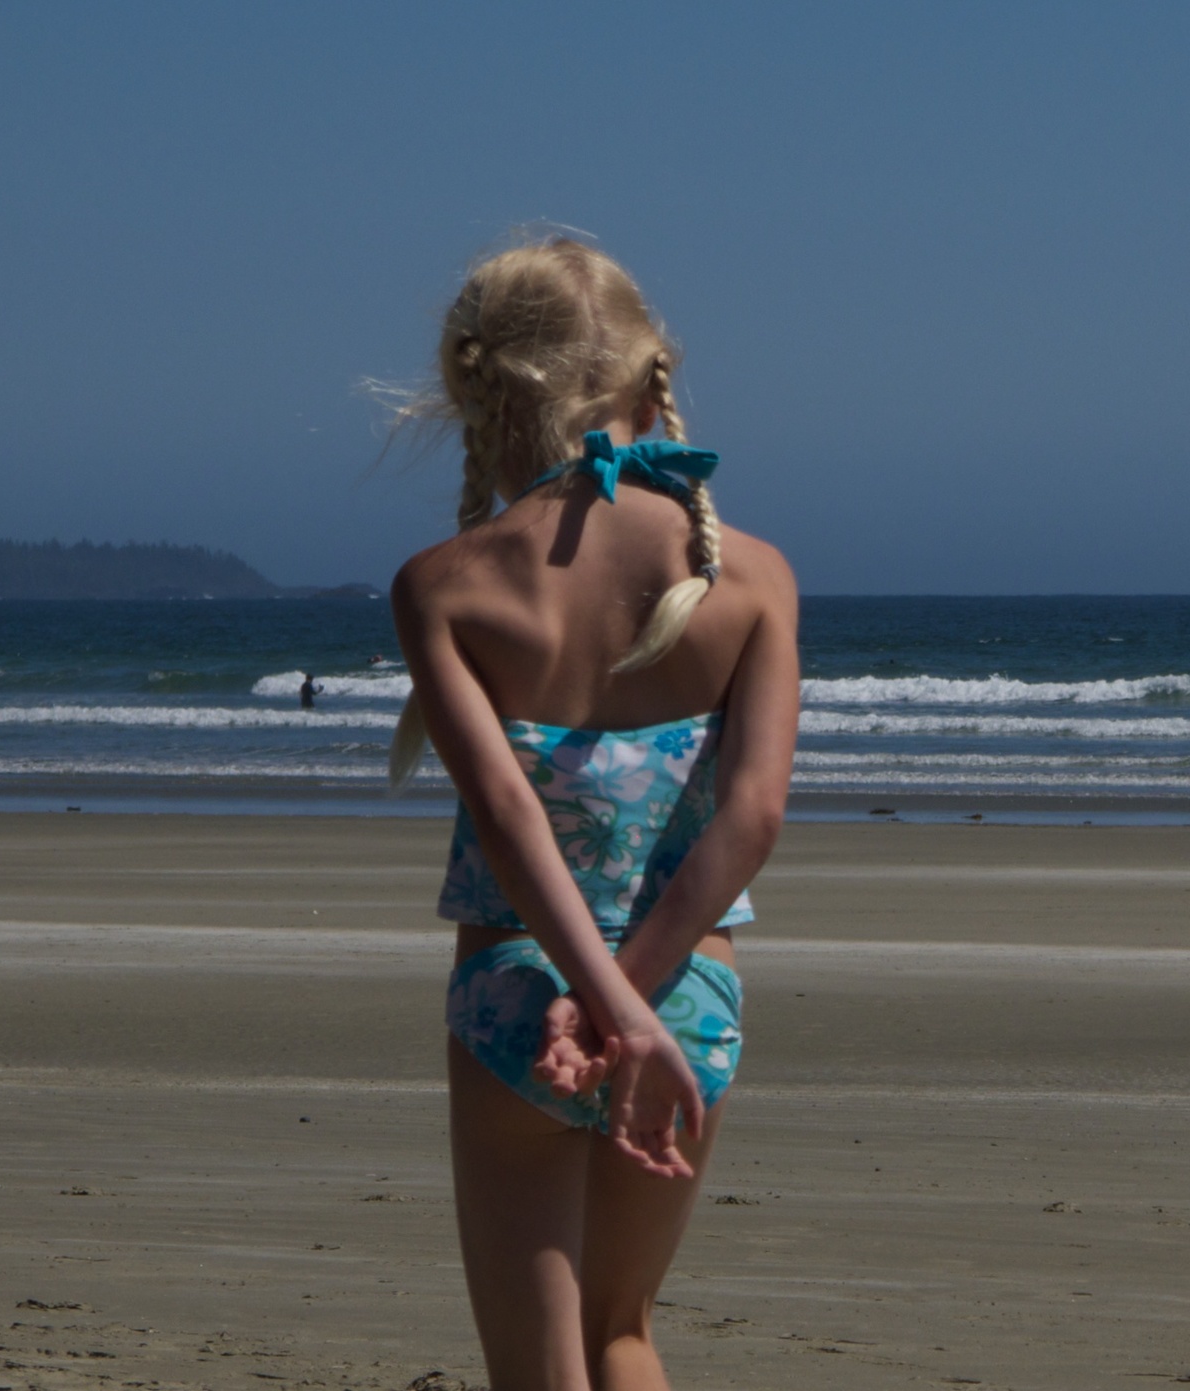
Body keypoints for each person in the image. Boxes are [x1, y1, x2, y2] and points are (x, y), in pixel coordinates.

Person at [386, 236, 799, 1391]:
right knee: (625, 1331)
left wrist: (589, 1005)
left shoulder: (444, 582)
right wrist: (639, 1011)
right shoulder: (753, 576)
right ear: (644, 369)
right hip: (689, 1004)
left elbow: (509, 814)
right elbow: (751, 818)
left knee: (535, 1368)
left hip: (523, 992)